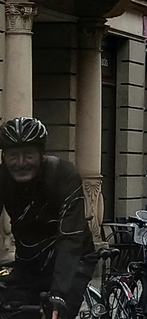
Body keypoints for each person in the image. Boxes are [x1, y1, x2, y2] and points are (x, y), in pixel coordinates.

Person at [0, 117, 98, 319]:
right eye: (13, 156)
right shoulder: (2, 178)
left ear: (41, 154)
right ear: (3, 156)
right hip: (30, 261)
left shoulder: (62, 174)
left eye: (28, 155)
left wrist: (60, 293)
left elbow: (70, 237)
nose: (20, 163)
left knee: (56, 311)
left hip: (74, 258)